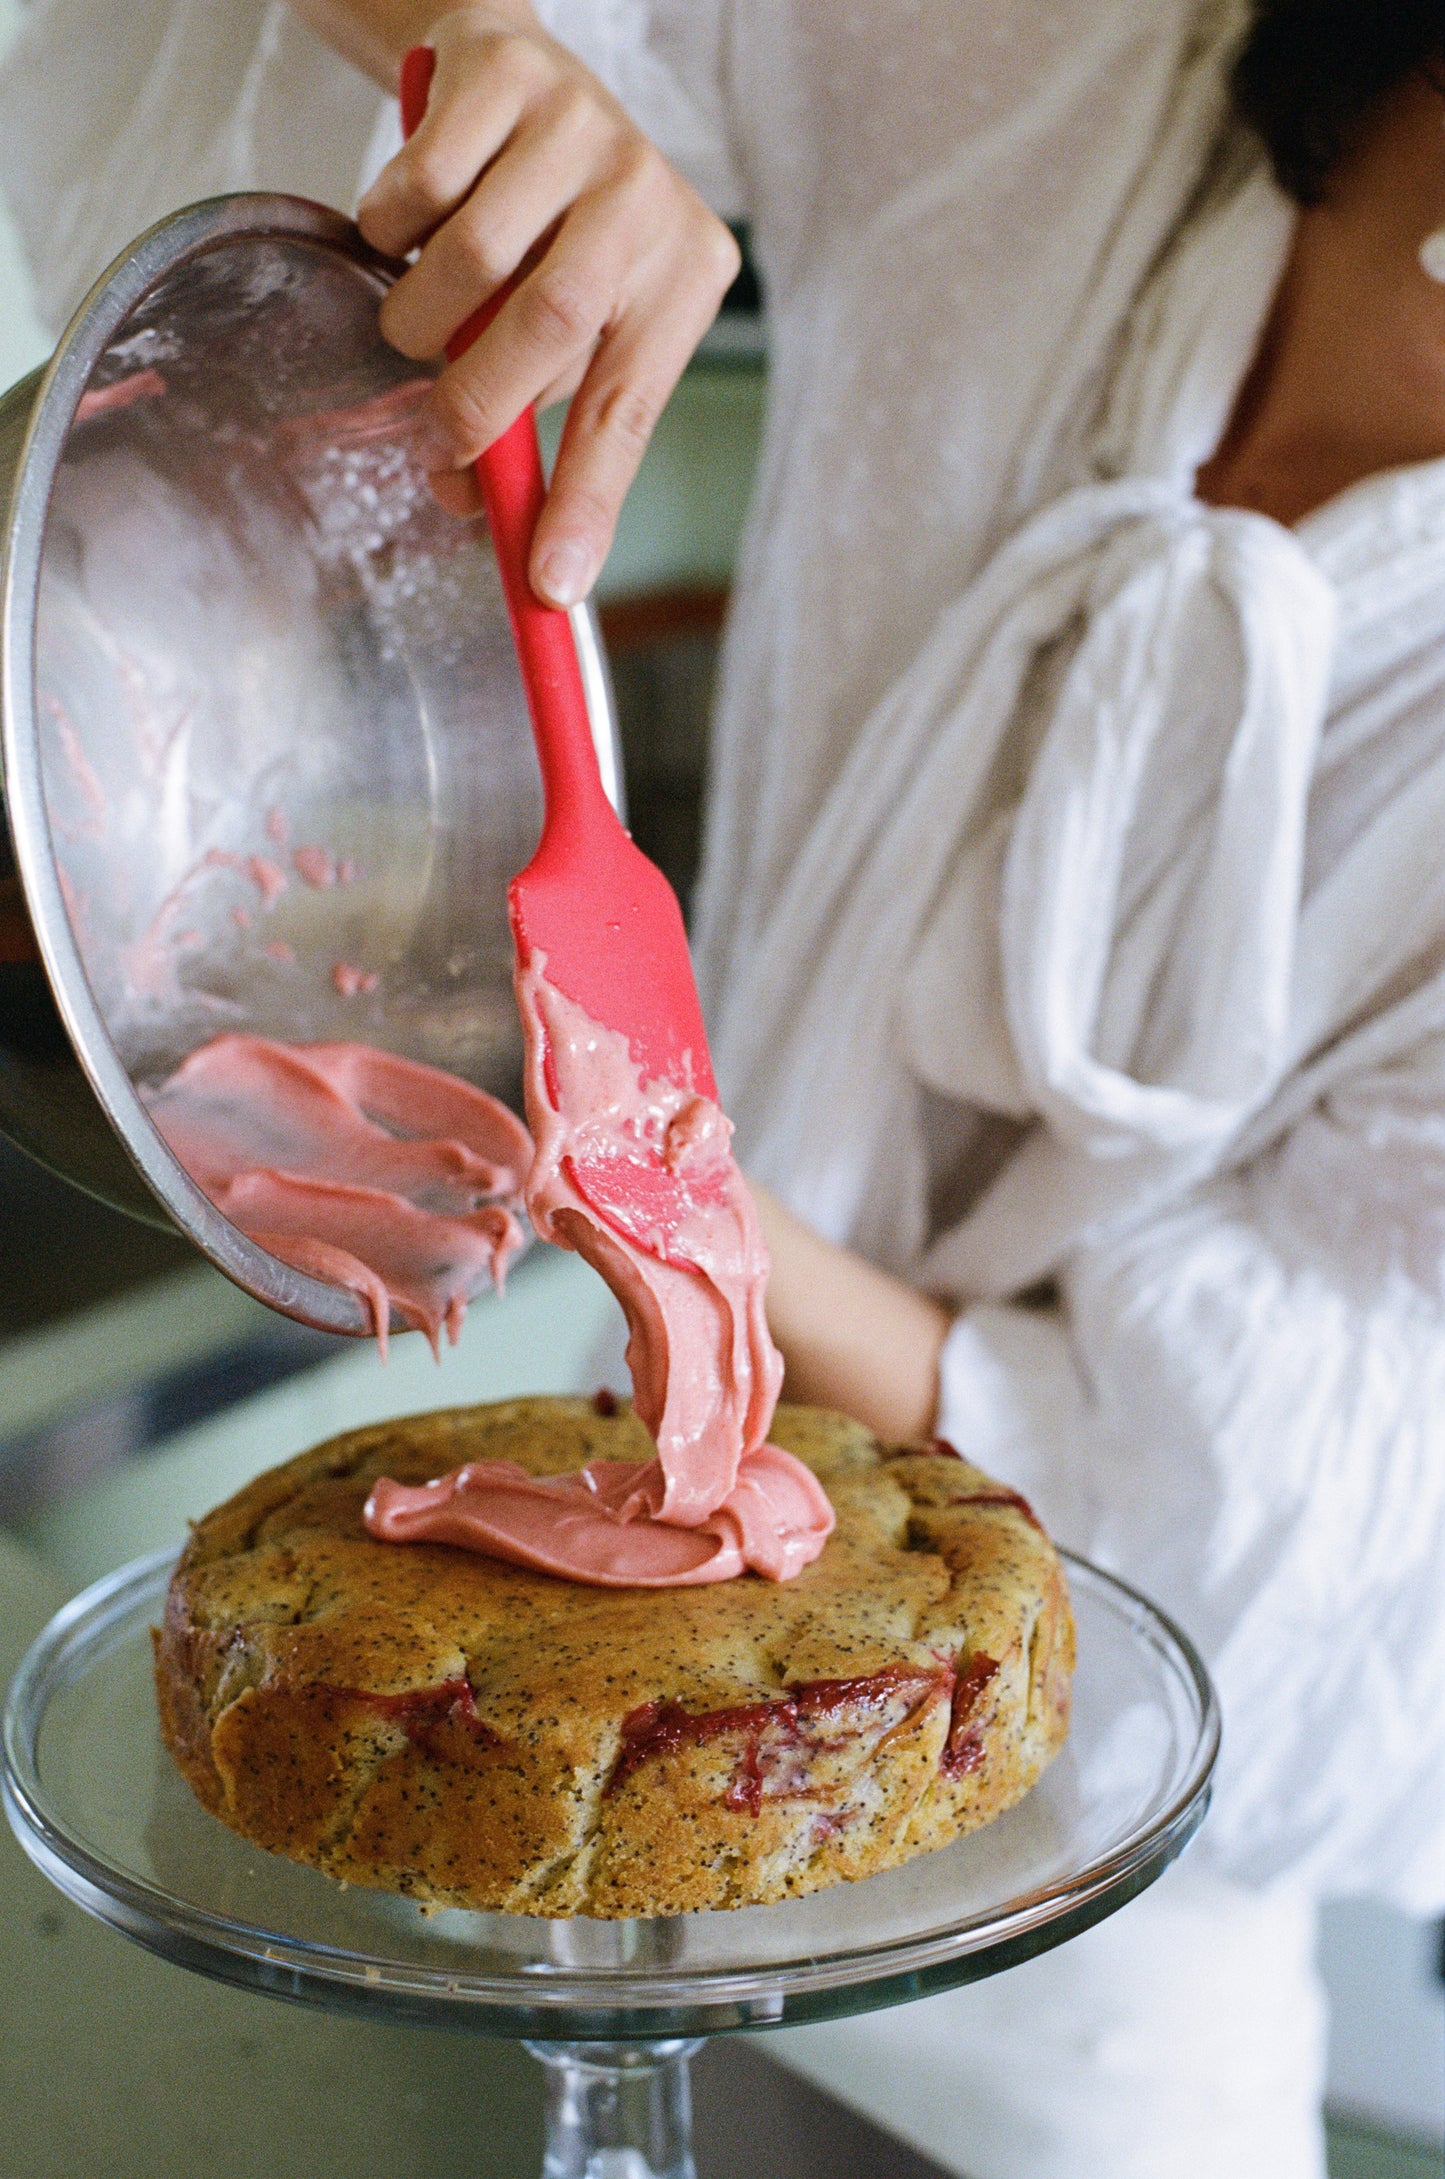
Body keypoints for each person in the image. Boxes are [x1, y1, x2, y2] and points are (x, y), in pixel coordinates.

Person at [3, 3, 1444, 2173]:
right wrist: (477, 46)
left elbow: (1320, 1496)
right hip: (556, 1856)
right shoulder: (1056, 60)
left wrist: (683, 1200)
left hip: (1083, 2021)